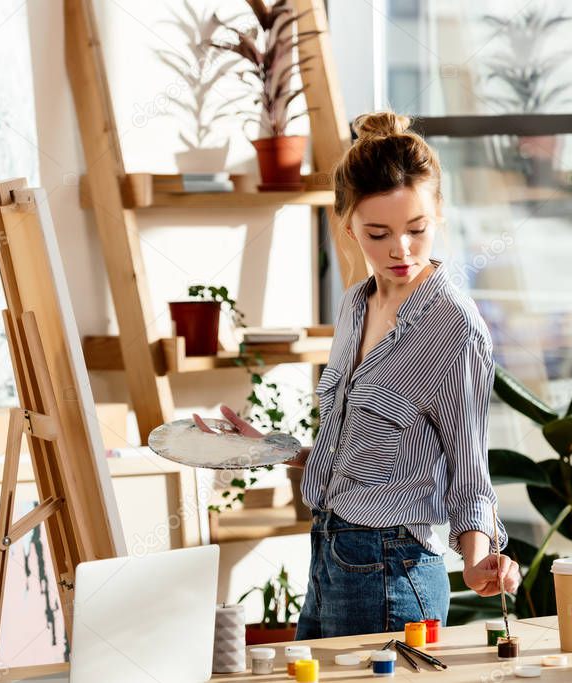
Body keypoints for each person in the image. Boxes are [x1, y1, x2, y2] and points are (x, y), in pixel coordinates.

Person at [194, 111, 520, 638]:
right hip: (329, 554)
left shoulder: (452, 326)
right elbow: (354, 448)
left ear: (438, 214)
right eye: (378, 232)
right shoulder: (354, 305)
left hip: (394, 570)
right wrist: (271, 447)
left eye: (418, 230)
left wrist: (479, 558)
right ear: (347, 225)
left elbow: (469, 471)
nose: (401, 250)